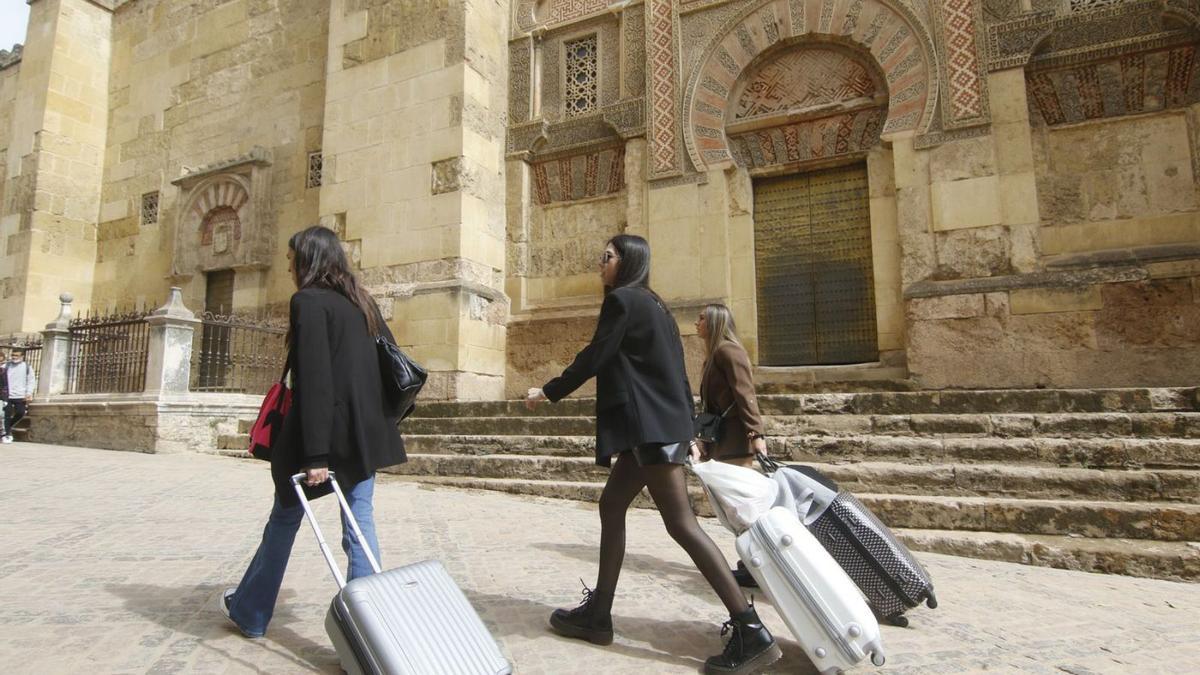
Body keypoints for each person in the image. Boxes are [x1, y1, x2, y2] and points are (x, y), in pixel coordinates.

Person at [525, 235, 781, 675]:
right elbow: (676, 371)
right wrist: (689, 428)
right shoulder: (656, 304)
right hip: (658, 426)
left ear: (626, 262)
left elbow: (596, 356)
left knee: (681, 525)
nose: (600, 265)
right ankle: (598, 614)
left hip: (651, 428)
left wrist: (549, 390)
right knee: (611, 505)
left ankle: (749, 628)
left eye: (606, 258)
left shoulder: (623, 301)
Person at [219, 225, 406, 638]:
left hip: (322, 437)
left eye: (291, 259)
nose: (288, 266)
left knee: (284, 520)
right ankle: (369, 630)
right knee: (359, 523)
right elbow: (390, 367)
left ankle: (250, 612)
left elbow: (316, 380)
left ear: (308, 259)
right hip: (364, 436)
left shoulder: (307, 302)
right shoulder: (362, 302)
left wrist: (316, 455)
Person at [695, 303, 767, 588]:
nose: (696, 323)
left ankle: (756, 563)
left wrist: (756, 433)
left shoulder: (728, 351)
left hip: (736, 441)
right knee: (733, 509)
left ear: (714, 322)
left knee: (741, 508)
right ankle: (752, 561)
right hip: (722, 441)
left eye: (701, 318)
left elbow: (745, 393)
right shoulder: (714, 355)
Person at [3, 348, 36, 443]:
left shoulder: (27, 367)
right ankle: (7, 434)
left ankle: (7, 427)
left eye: (17, 355)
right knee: (7, 415)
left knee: (21, 413)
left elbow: (31, 381)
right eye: (13, 355)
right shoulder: (6, 366)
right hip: (7, 395)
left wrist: (29, 393)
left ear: (22, 356)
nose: (14, 357)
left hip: (20, 395)